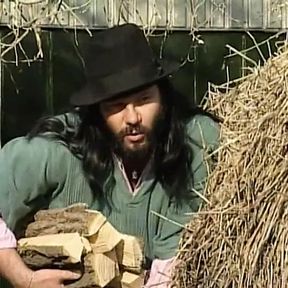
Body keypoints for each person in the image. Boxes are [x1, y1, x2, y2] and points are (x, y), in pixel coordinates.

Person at [0, 23, 219, 287]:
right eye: (116, 106)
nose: (133, 117)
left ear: (163, 96)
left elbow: (173, 261)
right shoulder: (55, 151)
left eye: (144, 100)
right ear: (96, 111)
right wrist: (27, 280)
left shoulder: (193, 143)